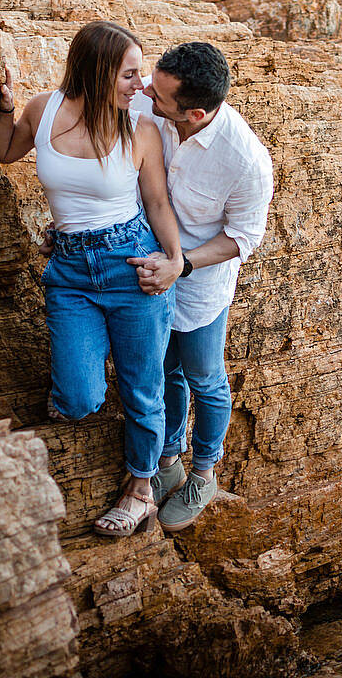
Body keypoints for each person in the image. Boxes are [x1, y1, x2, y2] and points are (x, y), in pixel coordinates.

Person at [0, 20, 185, 537]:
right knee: (78, 400)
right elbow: (5, 151)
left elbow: (157, 202)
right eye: (129, 75)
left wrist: (174, 261)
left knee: (143, 388)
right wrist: (5, 109)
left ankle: (140, 491)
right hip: (70, 270)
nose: (139, 85)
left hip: (132, 265)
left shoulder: (139, 130)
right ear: (97, 72)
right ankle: (81, 391)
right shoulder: (44, 109)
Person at [128, 41, 274, 532]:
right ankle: (169, 457)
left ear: (194, 113)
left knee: (205, 378)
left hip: (199, 287)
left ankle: (204, 473)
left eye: (159, 95)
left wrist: (182, 265)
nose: (146, 93)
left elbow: (243, 237)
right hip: (147, 272)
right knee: (164, 370)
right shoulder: (152, 103)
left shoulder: (245, 160)